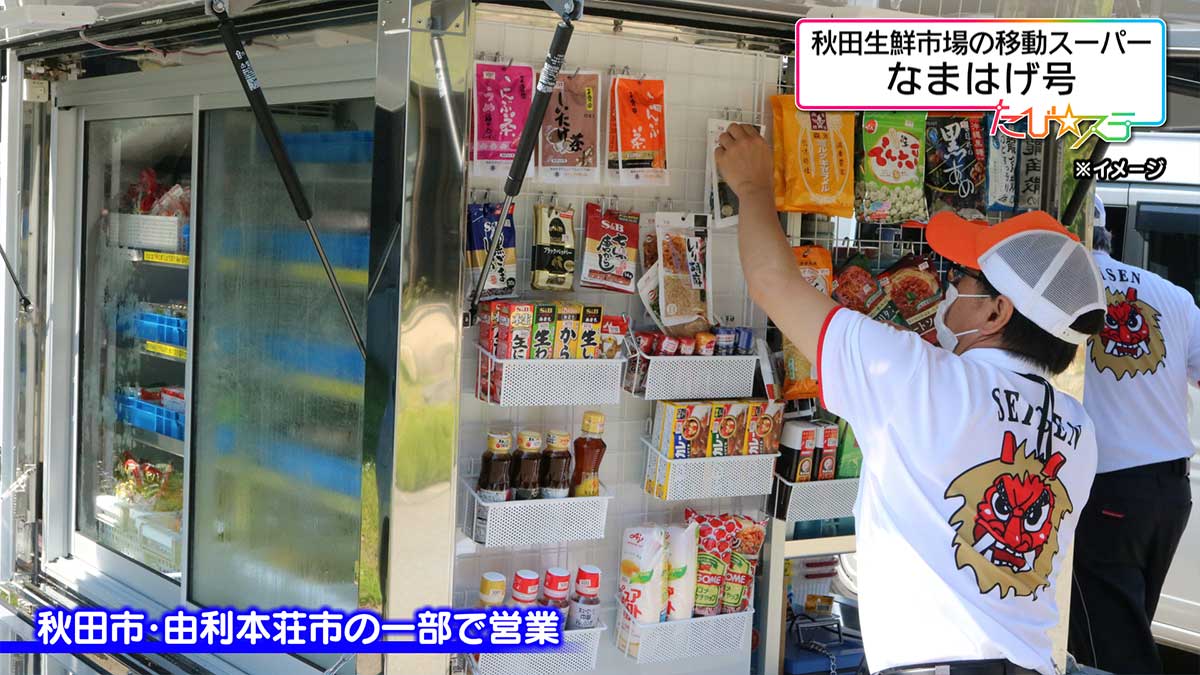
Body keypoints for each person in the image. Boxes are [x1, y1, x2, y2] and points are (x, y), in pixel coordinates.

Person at [714, 123, 1107, 675]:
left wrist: (753, 187)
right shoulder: (1078, 429)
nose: (946, 287)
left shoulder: (919, 378)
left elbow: (772, 283)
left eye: (961, 278)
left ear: (997, 312)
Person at [1069, 195, 1195, 674]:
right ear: (1108, 235)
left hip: (1107, 488)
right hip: (1169, 491)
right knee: (1127, 628)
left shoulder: (1057, 293)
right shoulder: (1172, 294)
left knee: (1110, 649)